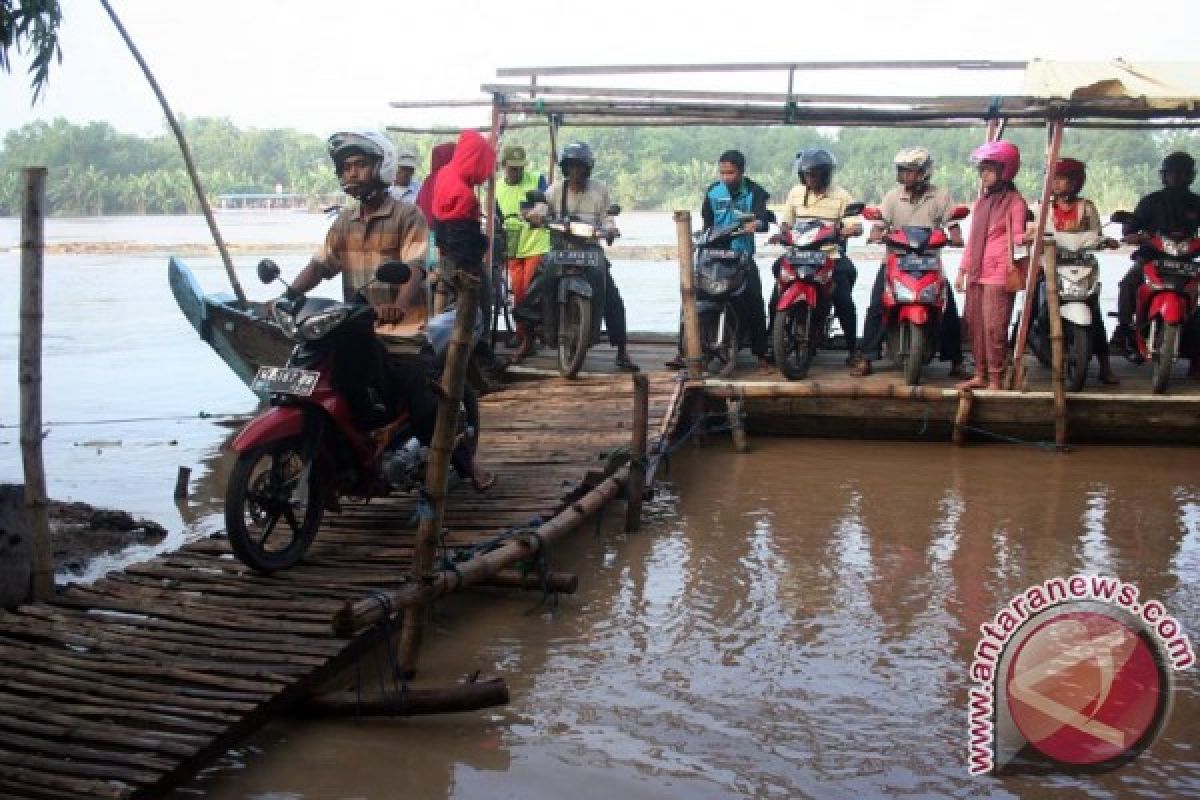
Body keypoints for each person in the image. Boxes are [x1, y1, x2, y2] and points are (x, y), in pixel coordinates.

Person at [282, 128, 494, 491]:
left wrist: (398, 306)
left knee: (422, 401)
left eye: (360, 165)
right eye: (346, 167)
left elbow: (416, 267)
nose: (352, 173)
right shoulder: (343, 222)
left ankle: (466, 463)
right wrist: (287, 295)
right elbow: (320, 265)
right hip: (353, 330)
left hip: (402, 332)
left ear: (382, 167)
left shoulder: (407, 216)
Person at [853, 146, 965, 378]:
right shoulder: (893, 196)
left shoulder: (940, 195)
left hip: (929, 261)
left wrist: (955, 237)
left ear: (924, 172)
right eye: (902, 171)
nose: (906, 176)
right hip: (896, 259)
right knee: (877, 304)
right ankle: (867, 357)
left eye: (910, 171)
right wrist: (874, 233)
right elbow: (880, 221)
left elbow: (952, 222)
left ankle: (956, 361)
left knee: (947, 307)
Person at [667, 149, 772, 373]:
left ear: (741, 172)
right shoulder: (713, 192)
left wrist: (757, 225)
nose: (726, 177)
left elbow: (763, 219)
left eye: (731, 173)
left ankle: (762, 354)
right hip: (713, 255)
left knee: (754, 300)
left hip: (740, 255)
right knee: (692, 295)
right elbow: (707, 224)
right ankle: (684, 349)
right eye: (722, 172)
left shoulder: (755, 192)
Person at [540, 141, 638, 371]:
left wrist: (611, 229)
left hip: (590, 249)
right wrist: (535, 215)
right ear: (565, 168)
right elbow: (542, 209)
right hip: (561, 247)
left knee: (611, 297)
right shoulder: (555, 189)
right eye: (572, 167)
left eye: (581, 167)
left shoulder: (599, 190)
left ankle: (622, 350)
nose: (576, 172)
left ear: (588, 168)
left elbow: (606, 218)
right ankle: (538, 335)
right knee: (540, 284)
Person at [1111, 151, 1200, 372]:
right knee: (1128, 283)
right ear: (1164, 175)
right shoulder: (1151, 201)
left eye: (1182, 173)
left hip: (1186, 262)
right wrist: (1133, 233)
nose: (1177, 177)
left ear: (1190, 176)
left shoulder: (1197, 203)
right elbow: (1132, 225)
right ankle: (1123, 329)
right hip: (1152, 258)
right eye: (1172, 173)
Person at [1037, 157, 1120, 384]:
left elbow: (1097, 233)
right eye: (1053, 178)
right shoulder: (1042, 206)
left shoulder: (1087, 207)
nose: (1056, 183)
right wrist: (1029, 235)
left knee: (1094, 309)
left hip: (1081, 265)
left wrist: (1106, 241)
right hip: (1052, 263)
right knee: (1037, 295)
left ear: (1075, 183)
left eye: (1061, 179)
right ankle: (1024, 344)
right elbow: (1033, 229)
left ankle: (1105, 364)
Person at [955, 140, 1028, 391]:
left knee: (995, 327)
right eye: (982, 169)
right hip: (976, 270)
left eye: (989, 169)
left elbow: (1017, 235)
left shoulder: (1015, 202)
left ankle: (996, 377)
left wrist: (1030, 236)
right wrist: (962, 271)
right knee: (974, 325)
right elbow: (973, 239)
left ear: (1004, 171)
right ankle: (980, 373)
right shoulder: (981, 203)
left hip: (998, 271)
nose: (983, 174)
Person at [779, 148, 863, 363]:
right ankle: (776, 341)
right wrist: (783, 233)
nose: (810, 178)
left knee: (843, 296)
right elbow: (786, 222)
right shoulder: (796, 193)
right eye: (806, 174)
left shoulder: (841, 196)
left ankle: (853, 349)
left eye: (814, 174)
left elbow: (855, 226)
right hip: (799, 254)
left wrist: (845, 230)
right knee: (776, 288)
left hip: (829, 255)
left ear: (826, 174)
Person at [494, 144, 549, 361]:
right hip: (513, 246)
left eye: (519, 168)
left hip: (536, 244)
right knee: (517, 293)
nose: (516, 172)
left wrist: (535, 212)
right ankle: (522, 333)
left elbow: (546, 203)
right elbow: (495, 215)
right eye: (512, 168)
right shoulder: (497, 188)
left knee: (530, 291)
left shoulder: (536, 179)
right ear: (504, 166)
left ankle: (532, 336)